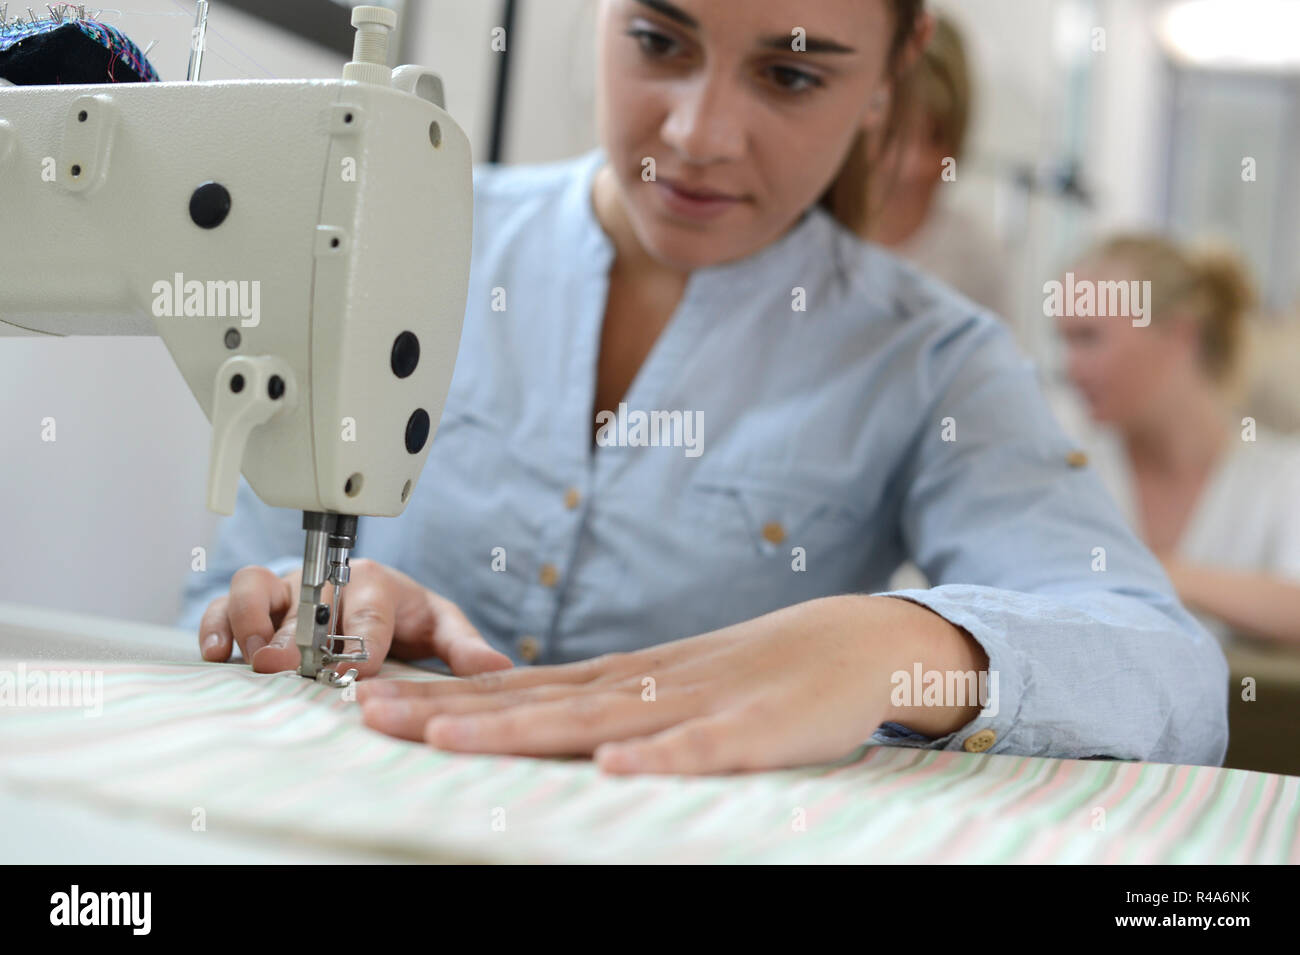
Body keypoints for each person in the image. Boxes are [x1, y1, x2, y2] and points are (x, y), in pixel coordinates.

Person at [180, 0, 1227, 774]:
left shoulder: (931, 361)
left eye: (791, 75)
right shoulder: (391, 246)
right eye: (658, 41)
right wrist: (298, 601)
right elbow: (219, 593)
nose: (697, 136)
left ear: (894, 70)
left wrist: (906, 645)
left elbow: (1170, 676)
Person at [1055, 234, 1300, 648]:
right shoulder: (1069, 470)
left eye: (1089, 337)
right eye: (1064, 341)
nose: (1069, 367)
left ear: (1180, 335)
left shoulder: (1282, 480)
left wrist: (1149, 571)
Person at [862, 13, 1012, 323]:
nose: (915, 163)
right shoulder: (816, 234)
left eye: (936, 137)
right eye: (895, 135)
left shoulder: (974, 254)